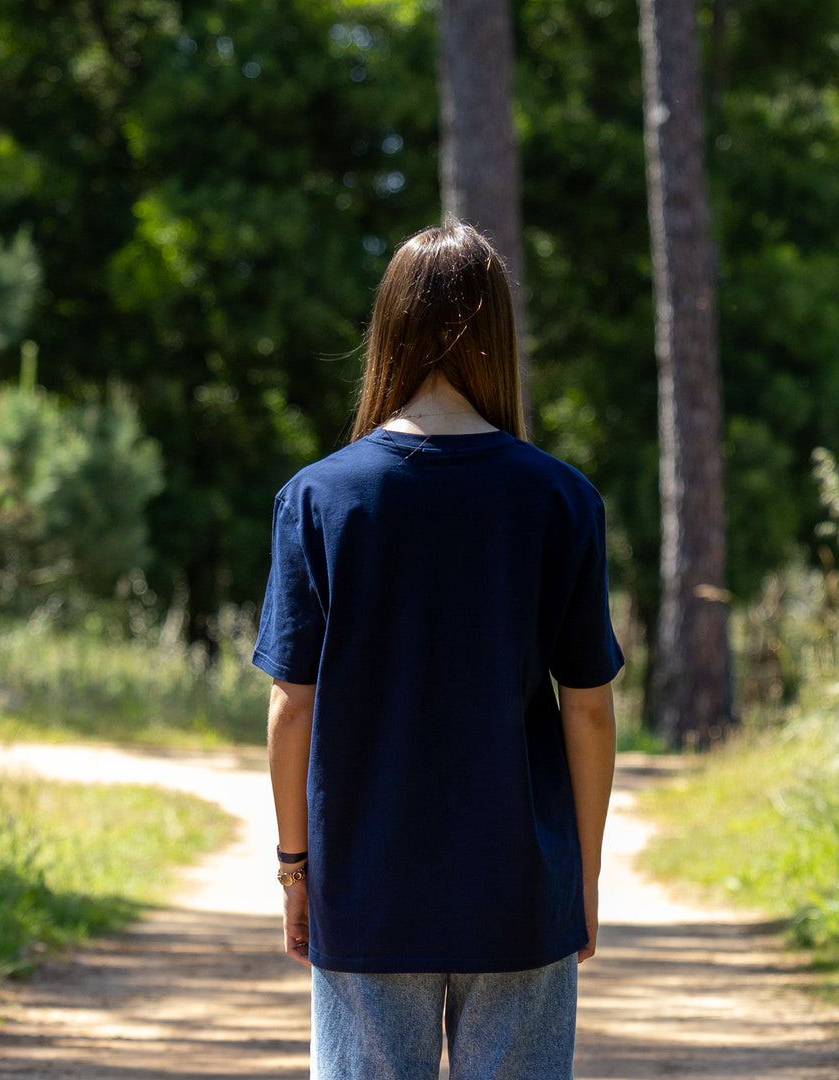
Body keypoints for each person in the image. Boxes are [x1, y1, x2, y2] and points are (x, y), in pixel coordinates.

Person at [252, 220, 624, 1080]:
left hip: (366, 887)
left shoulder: (318, 499)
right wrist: (582, 877)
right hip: (520, 892)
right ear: (499, 336)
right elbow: (591, 709)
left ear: (386, 331)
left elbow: (291, 704)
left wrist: (294, 868)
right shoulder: (561, 499)